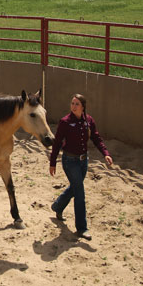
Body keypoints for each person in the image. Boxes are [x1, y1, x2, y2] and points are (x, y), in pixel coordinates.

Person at [48, 94, 113, 241]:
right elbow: (57, 143)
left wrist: (105, 153)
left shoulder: (89, 120)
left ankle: (58, 206)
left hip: (84, 161)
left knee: (75, 188)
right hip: (69, 161)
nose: (73, 106)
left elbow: (96, 138)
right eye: (72, 103)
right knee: (80, 193)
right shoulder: (65, 122)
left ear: (83, 106)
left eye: (77, 104)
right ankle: (82, 229)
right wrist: (53, 162)